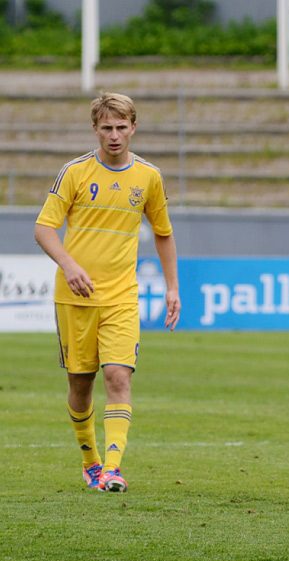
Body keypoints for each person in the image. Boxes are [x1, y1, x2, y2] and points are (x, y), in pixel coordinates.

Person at [34, 92, 180, 493]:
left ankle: (113, 469)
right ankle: (91, 462)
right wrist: (69, 264)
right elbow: (44, 228)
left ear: (134, 127)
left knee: (117, 376)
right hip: (74, 298)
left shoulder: (148, 177)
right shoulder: (75, 172)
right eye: (106, 128)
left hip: (120, 297)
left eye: (121, 127)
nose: (114, 136)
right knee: (80, 385)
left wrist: (172, 288)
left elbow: (164, 234)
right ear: (95, 129)